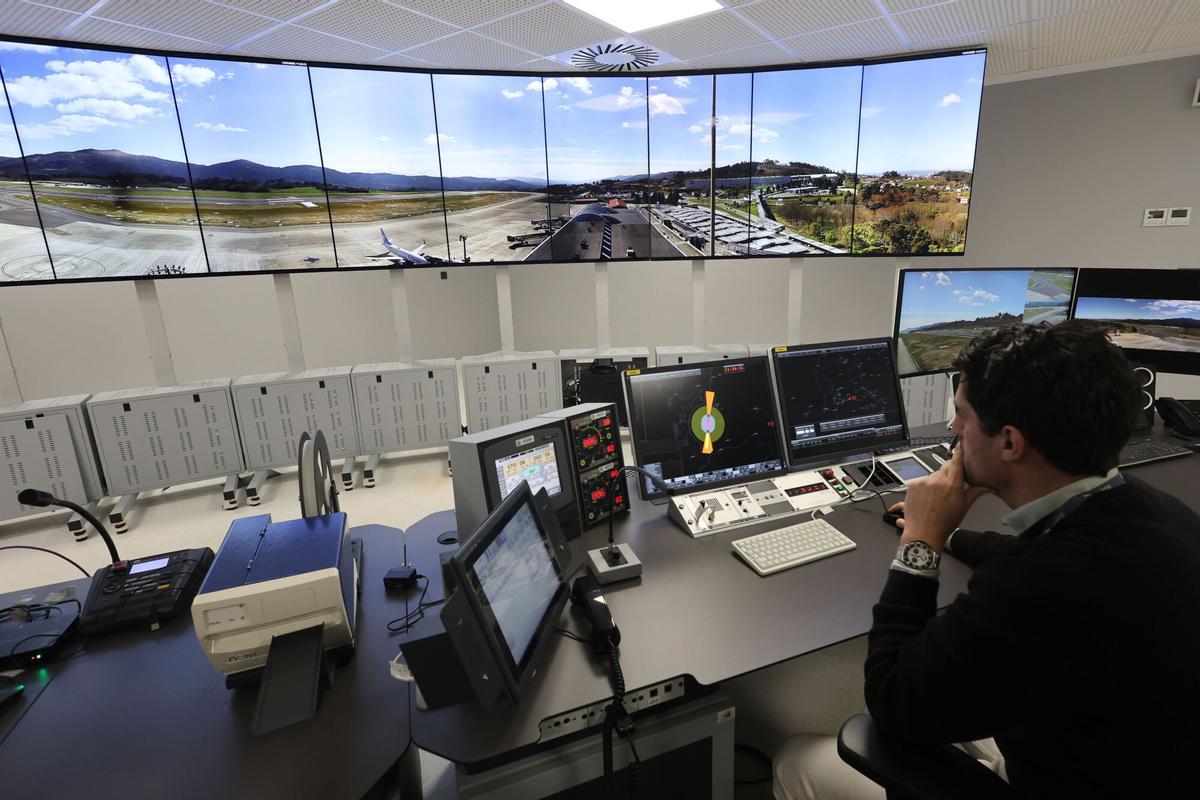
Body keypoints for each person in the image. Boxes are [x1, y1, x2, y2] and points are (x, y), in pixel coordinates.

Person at [773, 321, 1200, 800]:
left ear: (1010, 443)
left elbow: (893, 697)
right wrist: (954, 536)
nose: (953, 430)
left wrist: (922, 542)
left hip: (1063, 774)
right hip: (1132, 754)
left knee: (799, 759)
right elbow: (1038, 555)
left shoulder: (1033, 592)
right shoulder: (1151, 511)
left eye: (961, 415)